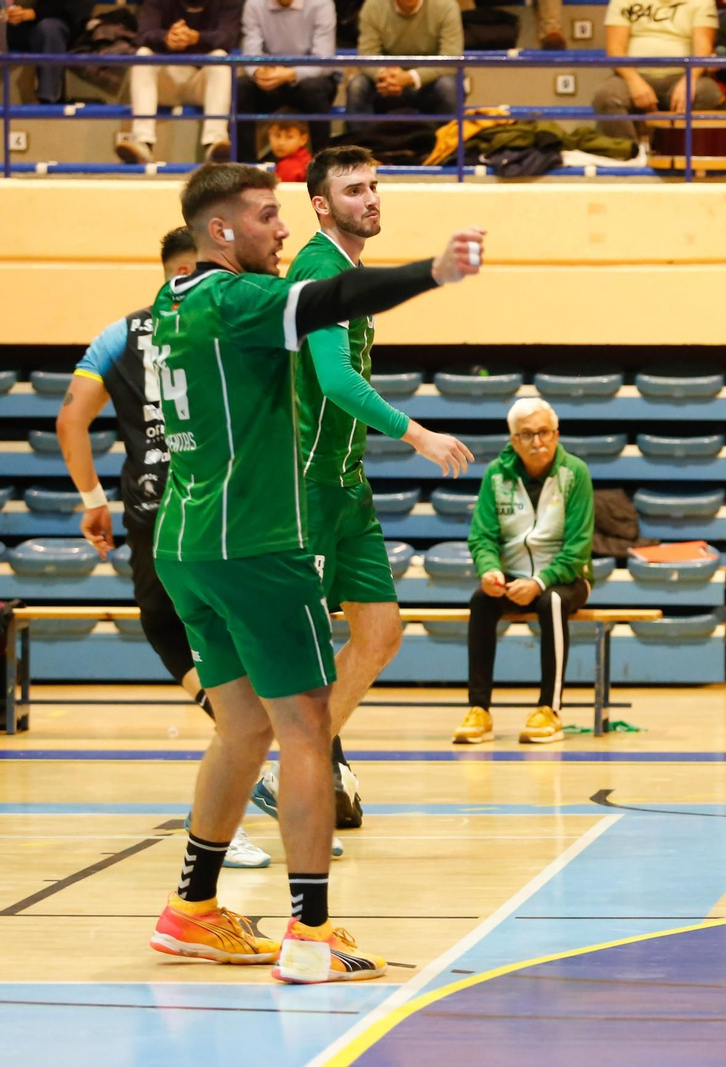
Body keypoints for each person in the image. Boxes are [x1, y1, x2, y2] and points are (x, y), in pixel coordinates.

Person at [144, 162, 484, 983]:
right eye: (267, 216)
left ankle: (190, 909)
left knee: (243, 727)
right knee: (303, 731)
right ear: (221, 231)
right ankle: (310, 931)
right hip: (256, 543)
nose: (283, 231)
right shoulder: (235, 300)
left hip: (183, 544)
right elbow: (328, 304)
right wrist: (431, 275)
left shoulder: (170, 300)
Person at [250, 145, 473, 831]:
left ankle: (295, 762)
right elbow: (338, 382)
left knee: (380, 633)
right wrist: (419, 434)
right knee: (305, 651)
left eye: (375, 186)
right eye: (353, 190)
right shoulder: (319, 270)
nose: (371, 199)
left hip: (347, 485)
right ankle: (275, 767)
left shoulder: (350, 270)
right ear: (321, 205)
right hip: (309, 486)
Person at [56, 226, 270, 870]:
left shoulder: (120, 334)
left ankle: (255, 786)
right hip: (233, 507)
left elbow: (70, 418)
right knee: (246, 654)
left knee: (172, 630)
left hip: (156, 510)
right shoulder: (233, 312)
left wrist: (93, 500)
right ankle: (275, 788)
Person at [455, 398, 595, 745]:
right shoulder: (496, 475)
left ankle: (550, 709)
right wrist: (489, 571)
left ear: (557, 434)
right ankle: (479, 710)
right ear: (513, 440)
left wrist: (539, 582)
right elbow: (482, 536)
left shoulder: (574, 473)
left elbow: (578, 548)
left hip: (567, 578)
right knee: (481, 600)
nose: (538, 442)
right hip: (513, 577)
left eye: (544, 432)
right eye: (527, 434)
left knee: (552, 603)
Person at [116, 0, 243, 164]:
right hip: (168, 80)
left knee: (219, 56)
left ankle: (215, 143)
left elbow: (228, 38)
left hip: (202, 83)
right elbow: (143, 35)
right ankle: (142, 142)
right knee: (143, 54)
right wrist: (166, 38)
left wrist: (196, 38)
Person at [591, 0, 721, 146]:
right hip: (633, 75)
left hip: (681, 76)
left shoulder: (702, 2)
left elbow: (703, 48)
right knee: (606, 96)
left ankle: (676, 153)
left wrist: (689, 81)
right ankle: (629, 155)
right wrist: (634, 81)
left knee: (707, 92)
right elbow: (615, 49)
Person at [346, 0, 464, 138]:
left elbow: (451, 59)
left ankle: (448, 152)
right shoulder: (372, 6)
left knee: (448, 86)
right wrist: (384, 74)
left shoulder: (446, 6)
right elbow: (367, 55)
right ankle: (360, 152)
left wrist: (410, 78)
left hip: (430, 84)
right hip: (387, 85)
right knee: (357, 86)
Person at [236, 0, 338, 156]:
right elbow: (251, 54)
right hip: (271, 79)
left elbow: (324, 61)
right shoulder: (254, 4)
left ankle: (322, 163)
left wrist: (290, 73)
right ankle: (246, 166)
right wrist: (259, 71)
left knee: (313, 89)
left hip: (310, 79)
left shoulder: (322, 4)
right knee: (241, 87)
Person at [5, 0, 94, 105]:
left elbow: (76, 8)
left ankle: (48, 100)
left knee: (49, 30)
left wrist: (33, 13)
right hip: (12, 23)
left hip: (55, 23)